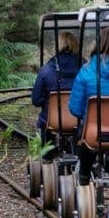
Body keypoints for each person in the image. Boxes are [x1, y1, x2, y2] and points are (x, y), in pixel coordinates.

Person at [69, 26, 109, 185]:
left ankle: (84, 176)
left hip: (95, 135)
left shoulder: (86, 71)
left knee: (86, 138)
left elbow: (75, 109)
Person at [31, 30, 81, 159]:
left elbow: (36, 100)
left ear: (57, 46)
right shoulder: (85, 68)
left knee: (45, 123)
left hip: (53, 121)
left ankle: (48, 158)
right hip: (80, 120)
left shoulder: (46, 70)